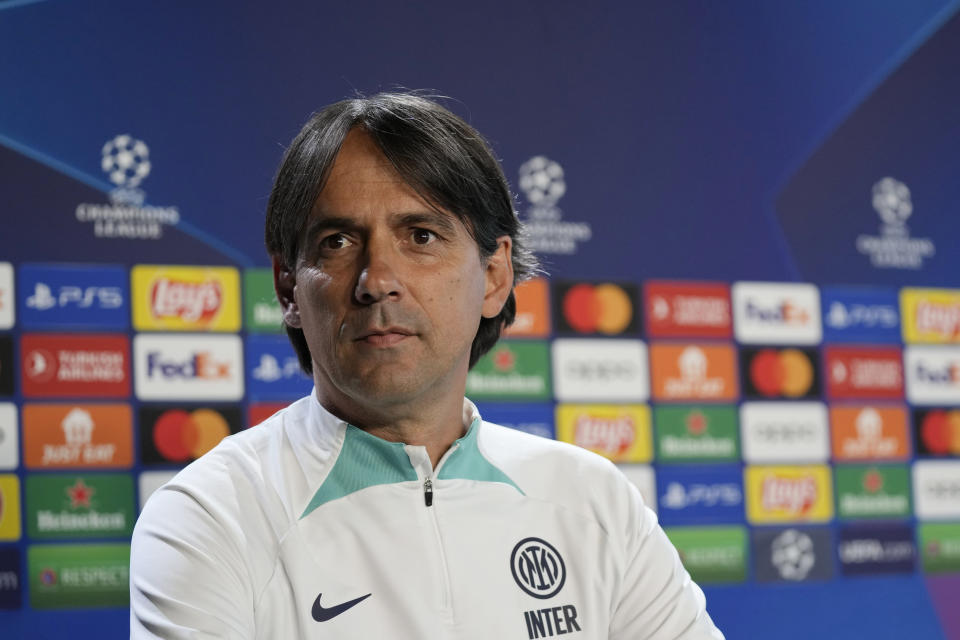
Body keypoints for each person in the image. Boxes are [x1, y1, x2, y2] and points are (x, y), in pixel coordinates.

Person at [130, 92, 724, 639]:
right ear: (288, 287)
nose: (378, 281)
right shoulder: (212, 517)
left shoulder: (594, 502)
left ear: (494, 277)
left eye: (420, 236)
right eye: (337, 242)